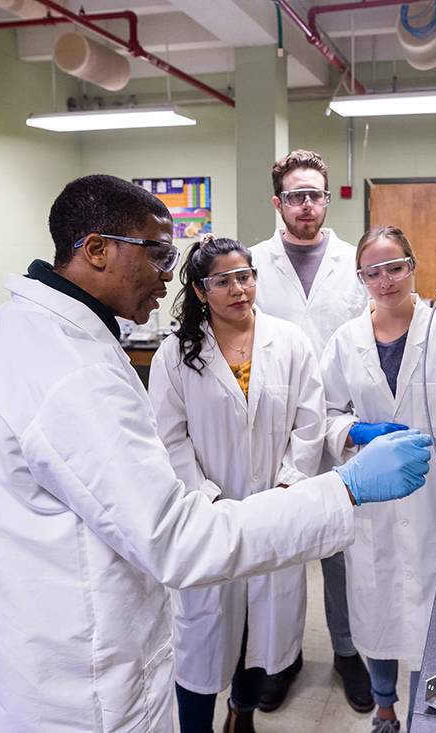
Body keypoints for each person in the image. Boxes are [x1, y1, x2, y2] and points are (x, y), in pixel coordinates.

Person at [0, 175, 433, 732]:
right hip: (77, 685)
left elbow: (300, 422)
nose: (167, 273)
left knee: (260, 637)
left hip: (27, 652)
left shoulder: (11, 332)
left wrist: (292, 481)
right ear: (97, 249)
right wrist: (344, 488)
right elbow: (175, 534)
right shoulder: (73, 370)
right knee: (203, 650)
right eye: (157, 253)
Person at [319, 226, 436, 733]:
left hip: (435, 504)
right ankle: (384, 709)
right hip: (373, 505)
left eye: (395, 267)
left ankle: (426, 713)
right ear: (361, 278)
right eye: (373, 272)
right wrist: (355, 430)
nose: (385, 280)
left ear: (413, 267)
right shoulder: (345, 341)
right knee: (379, 613)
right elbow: (324, 414)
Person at [147, 235, 327, 733]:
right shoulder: (175, 354)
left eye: (244, 276)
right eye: (223, 281)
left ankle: (241, 716)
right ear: (200, 291)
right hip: (207, 516)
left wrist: (289, 485)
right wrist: (205, 496)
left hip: (274, 511)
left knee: (260, 633)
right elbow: (168, 438)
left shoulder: (289, 341)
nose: (238, 289)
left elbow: (310, 423)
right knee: (201, 638)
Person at [251, 150, 375, 711]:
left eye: (316, 195)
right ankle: (281, 658)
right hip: (272, 428)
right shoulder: (253, 264)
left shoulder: (355, 263)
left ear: (327, 199)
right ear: (278, 202)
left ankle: (348, 653)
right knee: (278, 549)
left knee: (343, 548)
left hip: (341, 423)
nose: (307, 205)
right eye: (296, 195)